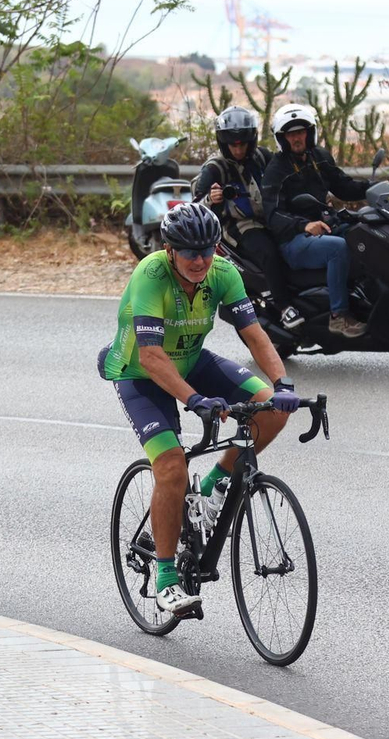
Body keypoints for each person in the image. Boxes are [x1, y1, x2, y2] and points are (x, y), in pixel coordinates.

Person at [97, 202, 300, 616]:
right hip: (139, 373)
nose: (200, 260)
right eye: (189, 252)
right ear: (170, 250)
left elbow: (255, 336)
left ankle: (213, 484)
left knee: (272, 408)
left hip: (191, 359)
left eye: (207, 250)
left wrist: (283, 383)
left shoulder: (222, 273)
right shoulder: (151, 275)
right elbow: (152, 357)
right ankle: (166, 579)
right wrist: (193, 400)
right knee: (171, 466)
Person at [260, 103, 370, 338]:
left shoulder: (319, 157)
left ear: (310, 133)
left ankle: (366, 298)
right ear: (283, 138)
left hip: (325, 225)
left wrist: (374, 189)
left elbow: (343, 186)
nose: (297, 138)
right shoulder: (276, 170)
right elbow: (272, 214)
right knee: (338, 248)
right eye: (291, 134)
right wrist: (304, 225)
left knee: (364, 233)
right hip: (293, 240)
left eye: (301, 132)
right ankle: (338, 316)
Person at [191, 106, 292, 307]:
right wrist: (212, 199)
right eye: (232, 145)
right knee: (268, 252)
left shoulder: (262, 157)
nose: (238, 150)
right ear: (223, 143)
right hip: (239, 226)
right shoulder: (214, 168)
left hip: (271, 218)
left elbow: (288, 177)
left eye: (242, 145)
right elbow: (195, 208)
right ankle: (284, 307)